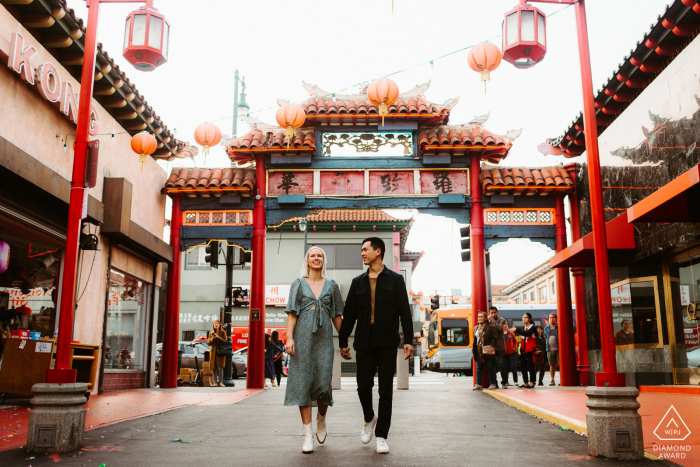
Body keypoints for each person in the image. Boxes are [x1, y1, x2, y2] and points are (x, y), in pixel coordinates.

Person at [339, 237, 413, 455]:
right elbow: (349, 314)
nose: (362, 253)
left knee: (385, 391)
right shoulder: (357, 282)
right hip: (363, 341)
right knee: (363, 387)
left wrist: (408, 340)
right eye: (361, 250)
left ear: (378, 251)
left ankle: (381, 436)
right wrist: (343, 341)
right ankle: (369, 418)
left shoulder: (396, 280)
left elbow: (404, 312)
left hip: (388, 342)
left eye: (365, 249)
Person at [284, 246, 344, 454]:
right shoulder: (298, 284)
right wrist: (289, 338)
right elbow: (292, 313)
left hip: (325, 339)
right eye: (312, 255)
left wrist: (344, 342)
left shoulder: (332, 285)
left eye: (320, 255)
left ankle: (322, 419)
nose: (316, 258)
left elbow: (337, 316)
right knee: (303, 385)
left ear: (323, 261)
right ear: (307, 260)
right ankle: (307, 435)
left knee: (323, 385)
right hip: (302, 339)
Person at [472, 311, 499, 390]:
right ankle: (478, 384)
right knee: (479, 367)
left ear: (485, 318)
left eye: (481, 317)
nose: (480, 318)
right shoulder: (476, 328)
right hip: (478, 349)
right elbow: (475, 339)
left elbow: (495, 338)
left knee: (490, 367)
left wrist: (490, 346)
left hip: (487, 349)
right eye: (479, 317)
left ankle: (493, 383)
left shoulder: (490, 327)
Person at [510, 313, 537, 388]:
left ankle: (532, 382)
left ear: (530, 319)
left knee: (531, 366)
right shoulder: (524, 327)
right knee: (523, 367)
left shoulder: (533, 327)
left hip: (531, 349)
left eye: (526, 317)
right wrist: (521, 350)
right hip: (524, 350)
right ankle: (525, 382)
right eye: (523, 317)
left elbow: (528, 334)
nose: (523, 319)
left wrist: (516, 330)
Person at [488, 306, 508, 389]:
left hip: (500, 347)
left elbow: (500, 328)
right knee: (491, 366)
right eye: (491, 313)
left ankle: (504, 382)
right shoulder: (487, 321)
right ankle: (493, 382)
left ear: (497, 312)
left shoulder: (502, 320)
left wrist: (491, 320)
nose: (493, 314)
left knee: (501, 364)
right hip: (490, 346)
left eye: (494, 312)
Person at [207, 320, 227, 387]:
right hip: (213, 352)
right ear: (213, 325)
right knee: (213, 368)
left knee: (220, 368)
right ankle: (215, 383)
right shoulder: (211, 333)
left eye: (218, 323)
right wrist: (213, 338)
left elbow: (225, 341)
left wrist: (218, 337)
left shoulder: (223, 332)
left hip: (220, 352)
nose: (216, 324)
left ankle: (220, 382)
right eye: (215, 323)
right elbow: (209, 343)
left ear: (220, 325)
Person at [543, 314, 559, 386]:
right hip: (549, 349)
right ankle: (552, 380)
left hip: (559, 349)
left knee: (560, 365)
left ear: (556, 319)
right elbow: (545, 336)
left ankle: (562, 379)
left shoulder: (559, 327)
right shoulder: (546, 328)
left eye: (553, 317)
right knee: (552, 364)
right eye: (550, 318)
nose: (551, 319)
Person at [503, 322, 518, 387]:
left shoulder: (511, 333)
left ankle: (515, 381)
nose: (505, 326)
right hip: (504, 353)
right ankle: (506, 382)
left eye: (506, 324)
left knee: (513, 366)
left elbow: (515, 341)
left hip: (512, 352)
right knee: (505, 368)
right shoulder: (500, 334)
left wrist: (514, 348)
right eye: (503, 324)